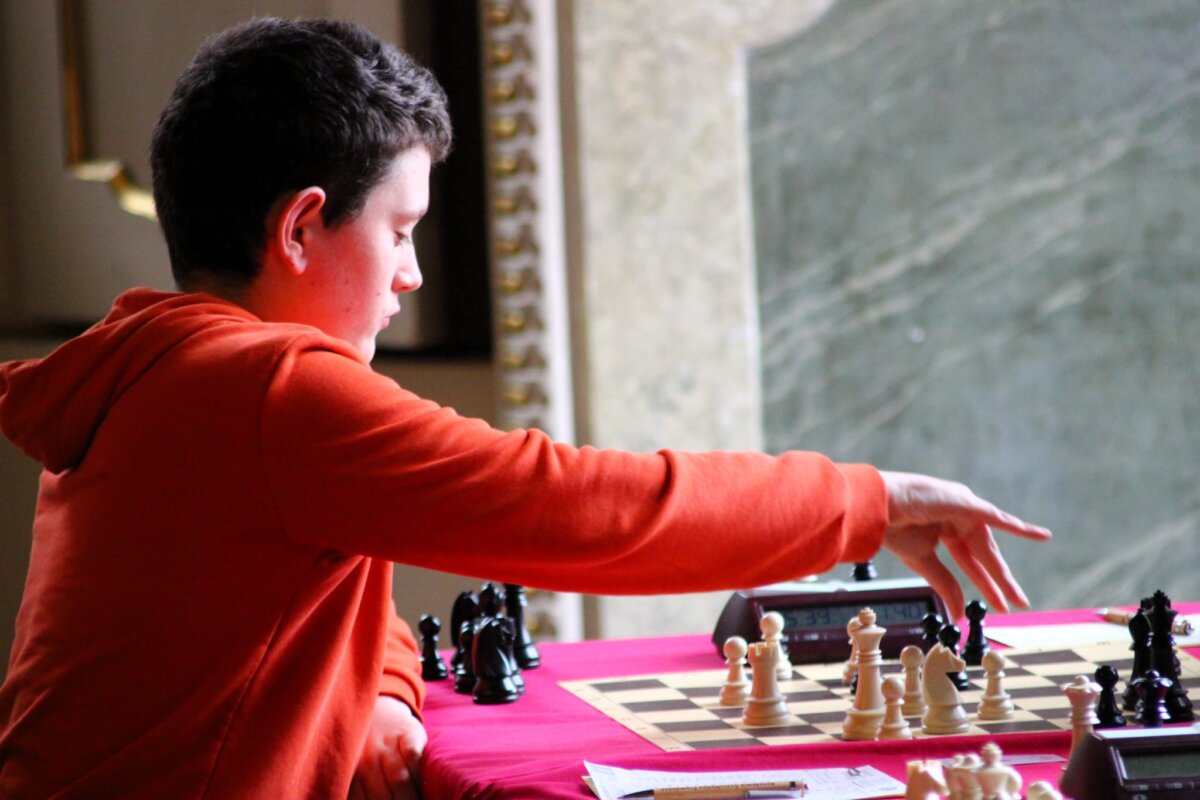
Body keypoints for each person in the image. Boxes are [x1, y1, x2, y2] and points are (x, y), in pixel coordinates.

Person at [0, 17, 1050, 800]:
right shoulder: (271, 392)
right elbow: (578, 507)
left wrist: (386, 697)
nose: (411, 273)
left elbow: (339, 609)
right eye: (400, 229)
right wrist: (866, 500)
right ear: (302, 229)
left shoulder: (162, 367)